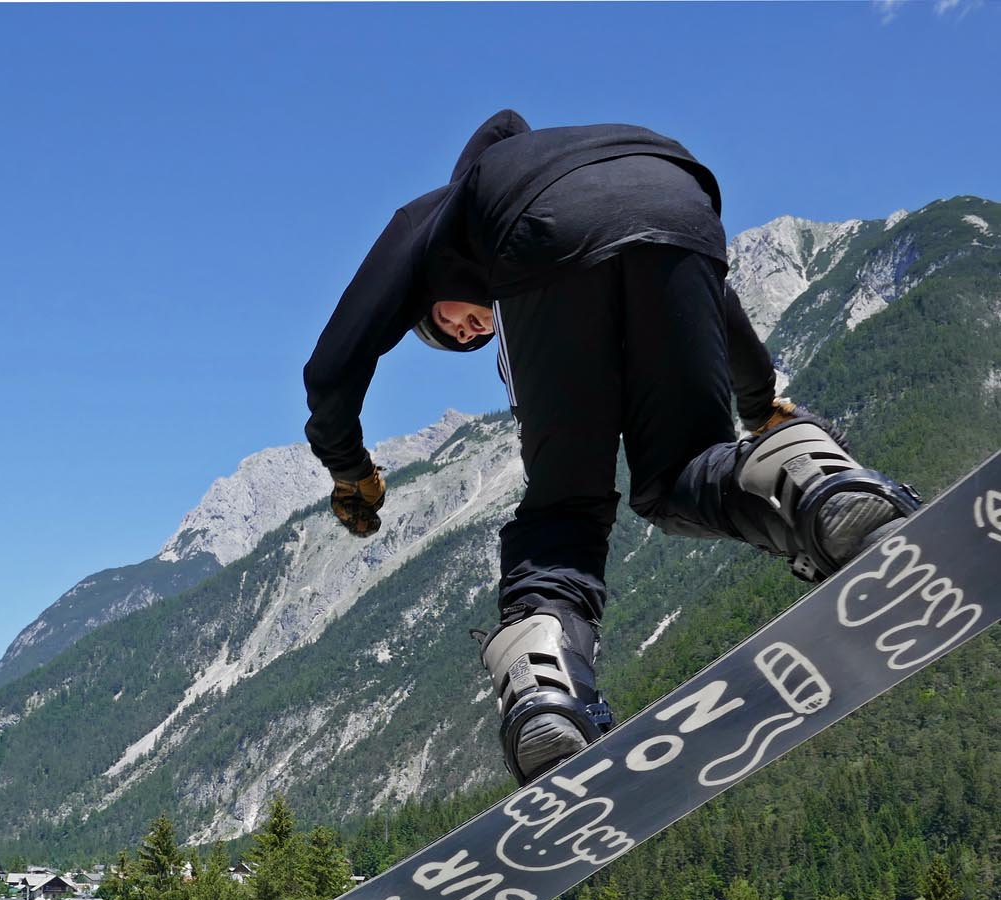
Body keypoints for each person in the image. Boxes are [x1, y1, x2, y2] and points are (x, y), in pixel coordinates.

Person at [303, 111, 918, 785]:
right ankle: (801, 475)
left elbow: (333, 367)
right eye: (465, 340)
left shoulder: (432, 218)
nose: (468, 332)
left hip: (542, 235)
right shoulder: (573, 162)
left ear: (425, 300)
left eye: (450, 328)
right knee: (683, 471)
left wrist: (350, 470)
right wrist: (761, 407)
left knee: (565, 508)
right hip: (677, 194)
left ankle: (544, 668)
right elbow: (715, 300)